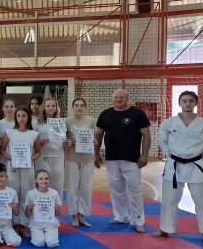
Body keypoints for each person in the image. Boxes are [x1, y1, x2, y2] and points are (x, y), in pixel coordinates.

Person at [154, 91, 203, 245]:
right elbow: (162, 141)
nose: (187, 103)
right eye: (184, 101)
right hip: (174, 164)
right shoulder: (169, 123)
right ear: (179, 103)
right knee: (169, 199)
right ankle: (165, 229)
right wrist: (171, 155)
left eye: (191, 100)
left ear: (196, 103)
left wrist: (197, 155)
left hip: (196, 165)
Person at [95, 89, 151, 233]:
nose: (119, 99)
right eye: (116, 97)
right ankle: (120, 216)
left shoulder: (137, 113)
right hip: (111, 158)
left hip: (132, 159)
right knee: (116, 189)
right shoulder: (105, 114)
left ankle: (138, 220)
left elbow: (146, 135)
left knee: (134, 190)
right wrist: (96, 154)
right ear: (112, 98)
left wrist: (145, 155)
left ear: (127, 98)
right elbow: (98, 135)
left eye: (122, 97)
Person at [0, 106, 41, 238]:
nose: (21, 118)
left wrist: (30, 158)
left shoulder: (34, 134)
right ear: (15, 117)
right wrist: (11, 158)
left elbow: (38, 152)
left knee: (26, 193)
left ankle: (23, 225)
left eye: (24, 115)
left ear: (28, 117)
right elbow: (2, 150)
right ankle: (13, 223)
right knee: (13, 193)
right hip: (13, 167)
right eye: (18, 116)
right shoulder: (9, 132)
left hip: (28, 168)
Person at [65, 98, 94, 228]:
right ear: (73, 107)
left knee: (86, 188)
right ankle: (74, 217)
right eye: (76, 105)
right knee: (72, 188)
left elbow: (93, 137)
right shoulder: (67, 121)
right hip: (71, 157)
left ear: (85, 107)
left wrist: (93, 141)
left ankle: (82, 216)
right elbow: (63, 139)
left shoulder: (91, 121)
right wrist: (68, 142)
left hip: (87, 158)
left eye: (82, 105)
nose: (79, 107)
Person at [35, 97, 65, 202]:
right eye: (48, 106)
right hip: (43, 156)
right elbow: (32, 141)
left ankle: (56, 207)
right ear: (44, 107)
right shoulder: (36, 123)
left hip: (58, 155)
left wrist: (67, 142)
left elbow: (64, 140)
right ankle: (42, 207)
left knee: (58, 183)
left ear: (57, 108)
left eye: (53, 106)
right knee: (43, 183)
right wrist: (40, 143)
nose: (51, 108)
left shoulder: (61, 122)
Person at [25, 170, 61, 248]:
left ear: (49, 180)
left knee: (51, 244)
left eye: (46, 178)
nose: (44, 181)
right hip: (36, 223)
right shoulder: (31, 193)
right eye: (41, 179)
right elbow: (28, 214)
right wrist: (28, 208)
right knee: (39, 243)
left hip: (50, 222)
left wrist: (57, 209)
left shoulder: (54, 193)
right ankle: (36, 234)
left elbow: (57, 214)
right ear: (36, 180)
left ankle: (49, 235)